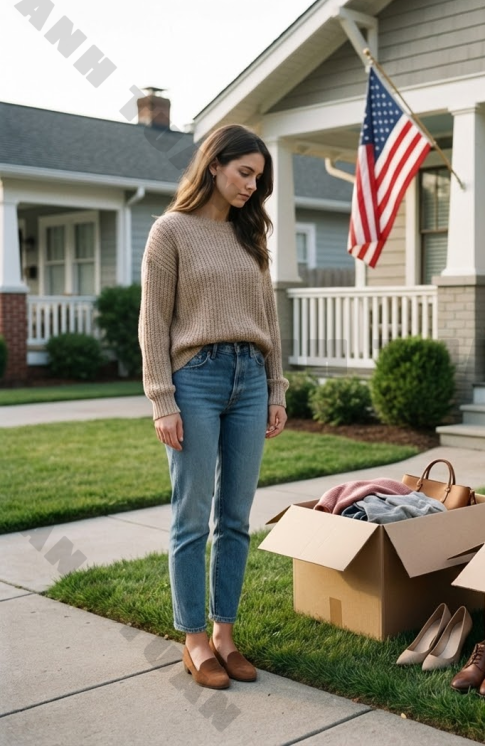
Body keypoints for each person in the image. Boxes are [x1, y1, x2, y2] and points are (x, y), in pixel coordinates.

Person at [139, 124, 288, 690]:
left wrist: (276, 387)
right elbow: (153, 321)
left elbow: (269, 319)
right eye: (244, 173)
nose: (252, 186)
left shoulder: (251, 240)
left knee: (235, 517)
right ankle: (194, 638)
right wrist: (163, 399)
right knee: (190, 515)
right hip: (194, 380)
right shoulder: (170, 231)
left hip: (250, 378)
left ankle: (226, 634)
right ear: (214, 165)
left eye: (259, 178)